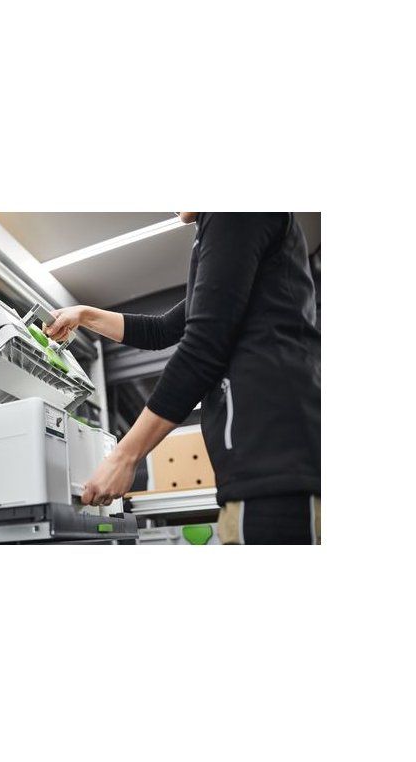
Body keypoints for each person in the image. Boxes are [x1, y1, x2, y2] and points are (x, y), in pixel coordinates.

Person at [44, 212, 320, 544]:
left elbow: (202, 347)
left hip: (276, 463)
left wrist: (124, 456)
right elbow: (161, 330)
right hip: (268, 466)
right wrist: (84, 315)